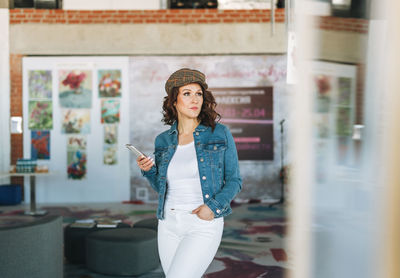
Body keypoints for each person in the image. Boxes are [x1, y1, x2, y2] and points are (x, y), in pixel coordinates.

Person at [137, 68, 242, 278]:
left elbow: (234, 180)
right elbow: (162, 187)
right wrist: (149, 172)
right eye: (187, 93)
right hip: (168, 223)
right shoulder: (163, 140)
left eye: (199, 94)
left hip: (202, 222)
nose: (195, 99)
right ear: (173, 101)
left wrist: (212, 208)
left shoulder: (219, 133)